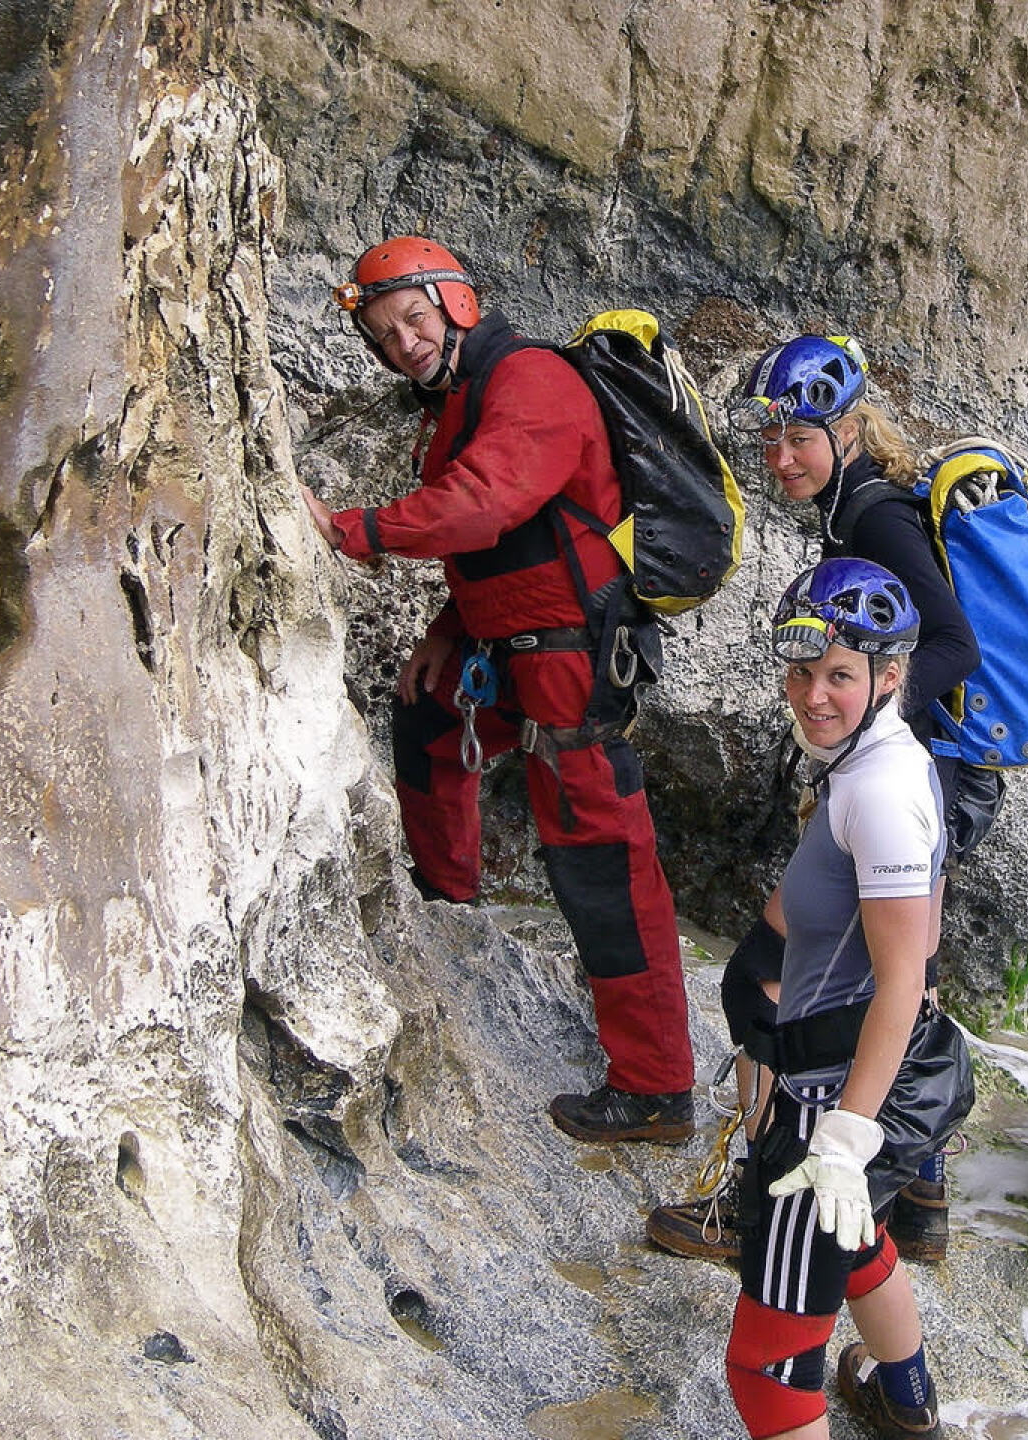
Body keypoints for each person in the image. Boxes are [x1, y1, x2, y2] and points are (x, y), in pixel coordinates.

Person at [299, 235, 695, 1142]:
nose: (402, 343)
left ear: (457, 302)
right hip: (511, 647)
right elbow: (500, 541)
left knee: (599, 859)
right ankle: (451, 916)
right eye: (383, 333)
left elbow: (485, 502)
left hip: (571, 659)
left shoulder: (531, 381)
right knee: (426, 718)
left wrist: (351, 530)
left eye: (413, 318)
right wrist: (449, 631)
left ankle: (658, 1088)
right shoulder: (460, 401)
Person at [648, 336, 978, 1260]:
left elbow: (954, 646)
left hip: (913, 778)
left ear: (846, 427)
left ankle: (760, 1199)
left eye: (800, 436)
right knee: (895, 977)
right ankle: (919, 1196)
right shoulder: (858, 503)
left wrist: (858, 716)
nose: (781, 457)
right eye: (771, 440)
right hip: (926, 776)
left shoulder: (872, 520)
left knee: (801, 989)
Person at [724, 558, 951, 1440]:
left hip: (828, 1100)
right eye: (802, 670)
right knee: (856, 1247)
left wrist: (846, 1141)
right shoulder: (872, 759)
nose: (813, 696)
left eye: (841, 676)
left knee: (766, 1378)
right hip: (841, 1067)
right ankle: (907, 1404)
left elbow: (905, 972)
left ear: (889, 677)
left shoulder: (883, 791)